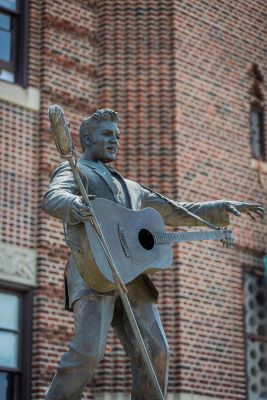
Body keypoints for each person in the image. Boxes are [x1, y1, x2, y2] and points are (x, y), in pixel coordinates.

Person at [43, 109, 263, 400]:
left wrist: (221, 208)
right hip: (93, 271)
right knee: (89, 353)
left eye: (117, 136)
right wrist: (73, 205)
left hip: (132, 277)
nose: (115, 141)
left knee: (157, 351)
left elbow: (177, 210)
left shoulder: (132, 188)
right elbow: (53, 196)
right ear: (87, 138)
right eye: (107, 134)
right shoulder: (76, 170)